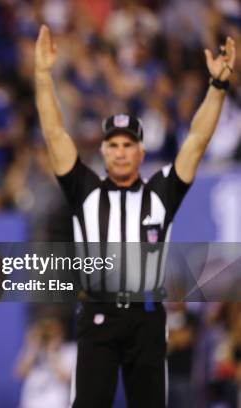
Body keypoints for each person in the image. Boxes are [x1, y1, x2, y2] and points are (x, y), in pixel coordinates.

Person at [33, 25, 236, 408]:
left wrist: (217, 87)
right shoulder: (86, 190)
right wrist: (43, 77)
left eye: (129, 145)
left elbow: (196, 141)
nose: (121, 152)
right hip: (98, 311)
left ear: (142, 153)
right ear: (104, 152)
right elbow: (54, 132)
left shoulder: (160, 193)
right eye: (114, 145)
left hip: (146, 315)